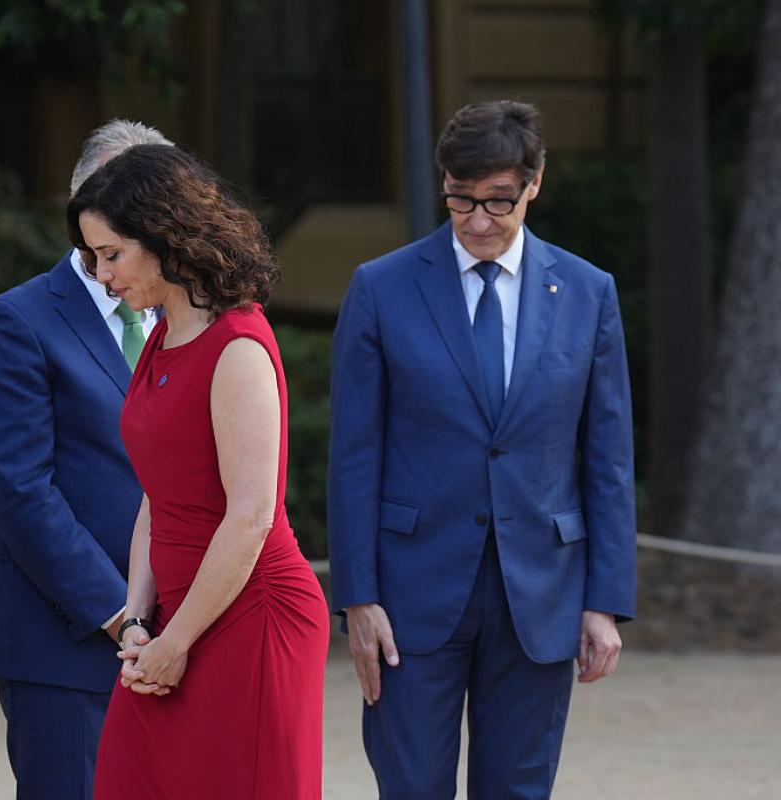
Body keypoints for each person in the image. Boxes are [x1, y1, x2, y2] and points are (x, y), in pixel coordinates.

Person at [328, 99, 637, 799]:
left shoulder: (589, 292)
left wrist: (605, 601)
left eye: (498, 202)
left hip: (543, 595)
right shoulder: (381, 288)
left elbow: (608, 460)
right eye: (459, 200)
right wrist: (357, 597)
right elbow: (352, 454)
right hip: (410, 595)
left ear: (534, 182)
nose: (476, 221)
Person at [67, 144, 330, 799]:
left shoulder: (237, 344)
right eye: (93, 257)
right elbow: (161, 495)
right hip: (174, 624)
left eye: (111, 253)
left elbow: (250, 515)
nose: (102, 275)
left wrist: (173, 642)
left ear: (164, 237)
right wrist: (136, 621)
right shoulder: (160, 333)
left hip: (253, 620)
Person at [0, 119, 173, 799]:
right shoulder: (20, 319)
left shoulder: (190, 318)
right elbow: (21, 492)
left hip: (181, 637)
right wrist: (124, 617)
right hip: (67, 642)